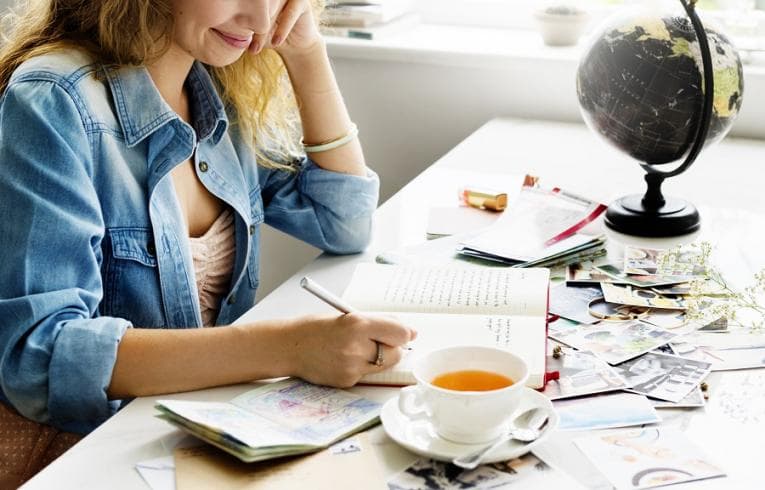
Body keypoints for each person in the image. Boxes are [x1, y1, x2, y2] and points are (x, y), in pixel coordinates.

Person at [0, 0, 415, 484]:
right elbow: (37, 356)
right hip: (86, 450)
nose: (261, 21)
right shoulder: (53, 101)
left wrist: (306, 50)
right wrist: (291, 347)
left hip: (195, 430)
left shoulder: (213, 88)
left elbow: (344, 221)